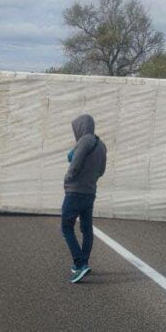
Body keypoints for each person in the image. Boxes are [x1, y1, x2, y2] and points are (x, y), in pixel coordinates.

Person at [62, 114, 107, 283]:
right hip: (90, 193)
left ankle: (80, 264)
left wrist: (68, 178)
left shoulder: (84, 141)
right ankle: (84, 262)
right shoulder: (101, 145)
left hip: (74, 192)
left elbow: (75, 165)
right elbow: (101, 171)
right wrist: (90, 179)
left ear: (81, 127)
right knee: (86, 229)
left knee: (66, 228)